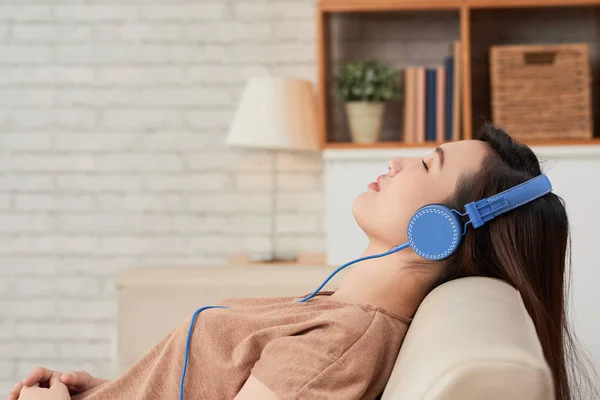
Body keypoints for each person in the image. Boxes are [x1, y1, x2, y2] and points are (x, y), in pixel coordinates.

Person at [6, 124, 593, 400]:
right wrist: (111, 389)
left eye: (427, 164)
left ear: (441, 228)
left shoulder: (338, 344)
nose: (396, 162)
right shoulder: (342, 311)